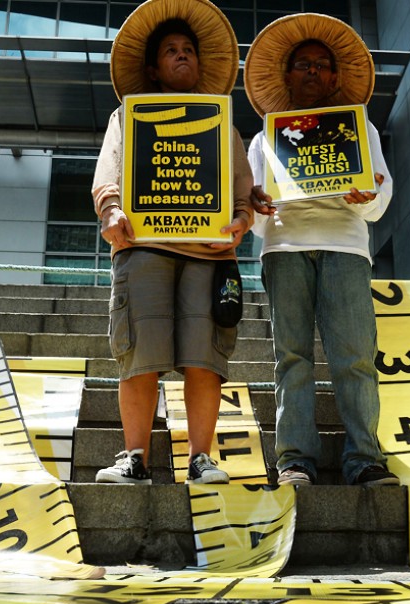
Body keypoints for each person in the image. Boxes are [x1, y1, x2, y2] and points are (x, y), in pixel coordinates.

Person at [91, 0, 253, 484]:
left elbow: (241, 187)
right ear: (154, 67)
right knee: (140, 351)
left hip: (209, 253)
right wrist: (112, 210)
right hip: (143, 249)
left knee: (205, 357)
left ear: (200, 63)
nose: (182, 56)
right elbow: (109, 173)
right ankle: (134, 457)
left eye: (189, 50)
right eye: (171, 50)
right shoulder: (127, 118)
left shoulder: (223, 122)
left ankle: (201, 458)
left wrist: (242, 217)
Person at [243, 14, 399, 487]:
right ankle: (294, 460)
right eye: (302, 64)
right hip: (284, 247)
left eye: (321, 65)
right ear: (287, 76)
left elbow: (381, 197)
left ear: (334, 77)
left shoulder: (362, 130)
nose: (312, 71)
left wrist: (368, 194)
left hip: (346, 247)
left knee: (354, 357)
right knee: (291, 357)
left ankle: (365, 459)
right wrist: (255, 205)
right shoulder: (263, 137)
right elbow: (251, 219)